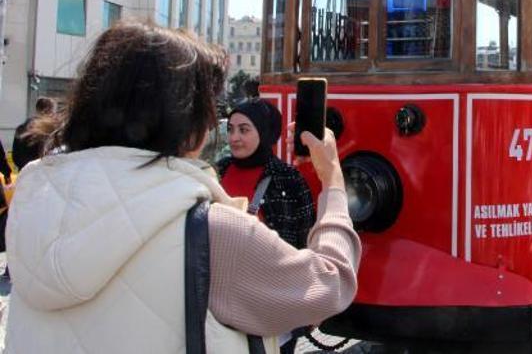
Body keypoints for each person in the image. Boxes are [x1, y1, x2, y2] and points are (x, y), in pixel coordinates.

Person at [4, 20, 360, 353]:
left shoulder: (33, 199)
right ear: (189, 124)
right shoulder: (212, 230)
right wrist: (333, 179)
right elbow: (330, 286)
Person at [220, 99, 316, 353]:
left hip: (272, 302)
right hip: (221, 302)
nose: (234, 137)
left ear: (265, 132)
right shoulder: (217, 172)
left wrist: (311, 299)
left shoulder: (288, 178)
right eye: (230, 129)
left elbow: (305, 241)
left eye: (244, 129)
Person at [11, 96, 55, 171]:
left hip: (24, 172)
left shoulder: (21, 128)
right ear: (48, 111)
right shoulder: (46, 131)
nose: (54, 114)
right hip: (41, 172)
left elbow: (15, 156)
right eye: (52, 111)